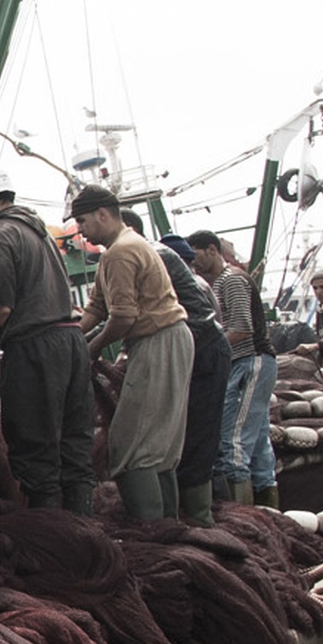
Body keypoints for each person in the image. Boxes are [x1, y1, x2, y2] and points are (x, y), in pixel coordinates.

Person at [0, 163, 96, 514]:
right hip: (71, 342)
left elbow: (2, 308)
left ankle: (48, 531)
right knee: (75, 446)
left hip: (37, 351)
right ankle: (84, 527)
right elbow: (35, 303)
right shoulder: (40, 232)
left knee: (35, 445)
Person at [71, 186, 195, 520]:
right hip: (170, 339)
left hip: (158, 340)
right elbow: (96, 308)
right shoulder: (121, 248)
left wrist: (91, 351)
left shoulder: (120, 253)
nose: (80, 230)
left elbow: (123, 317)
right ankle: (170, 524)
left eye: (82, 221)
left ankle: (151, 529)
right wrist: (71, 338)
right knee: (159, 445)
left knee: (129, 446)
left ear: (102, 214)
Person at [124, 214, 230, 524]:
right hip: (194, 350)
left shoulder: (152, 256)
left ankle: (200, 518)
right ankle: (188, 517)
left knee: (197, 437)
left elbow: (124, 314)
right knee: (181, 438)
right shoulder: (158, 258)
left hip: (202, 354)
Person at [191, 229, 279, 508]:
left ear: (212, 250)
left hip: (249, 361)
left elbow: (241, 329)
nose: (194, 263)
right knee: (260, 445)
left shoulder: (231, 280)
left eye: (196, 255)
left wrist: (205, 350)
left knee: (232, 441)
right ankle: (269, 510)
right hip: (247, 363)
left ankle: (241, 515)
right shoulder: (219, 283)